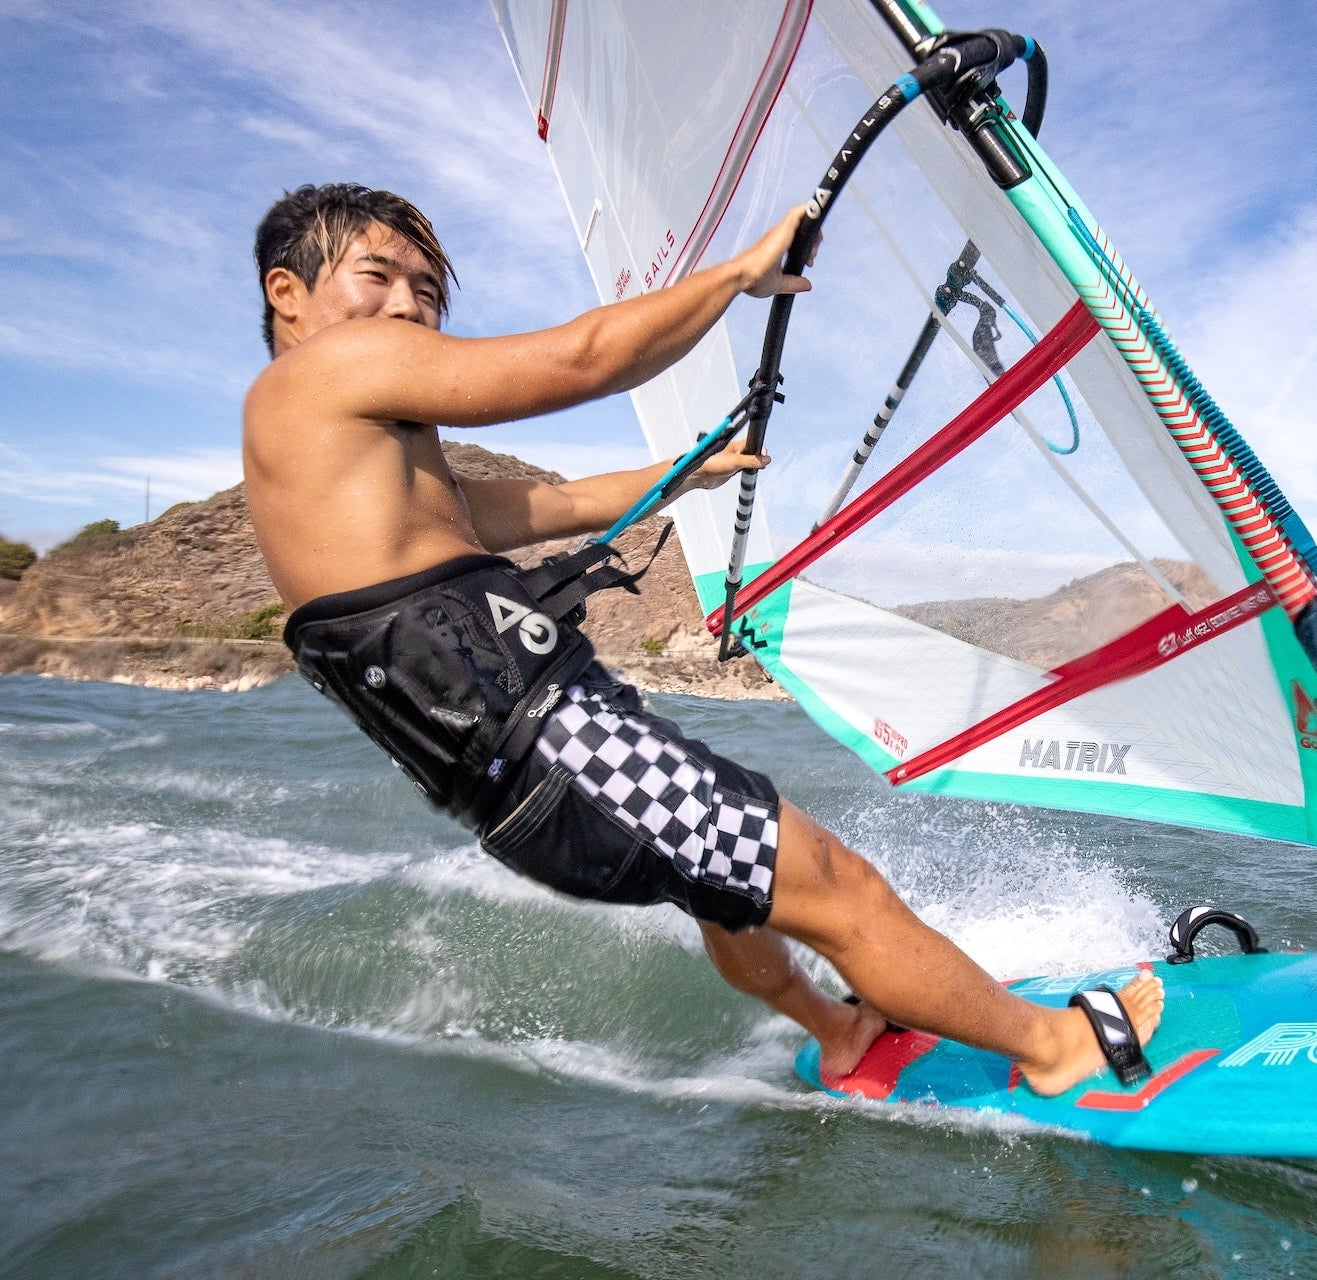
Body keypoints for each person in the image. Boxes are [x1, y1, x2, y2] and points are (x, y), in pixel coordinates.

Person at [244, 183, 1161, 1095]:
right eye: (377, 277)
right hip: (551, 742)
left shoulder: (351, 473)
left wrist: (684, 472)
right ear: (288, 293)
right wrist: (736, 277)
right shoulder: (325, 370)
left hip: (516, 771)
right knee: (835, 885)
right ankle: (1052, 1047)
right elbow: (581, 358)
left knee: (722, 890)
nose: (408, 306)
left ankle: (840, 1031)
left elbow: (557, 503)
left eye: (426, 290)